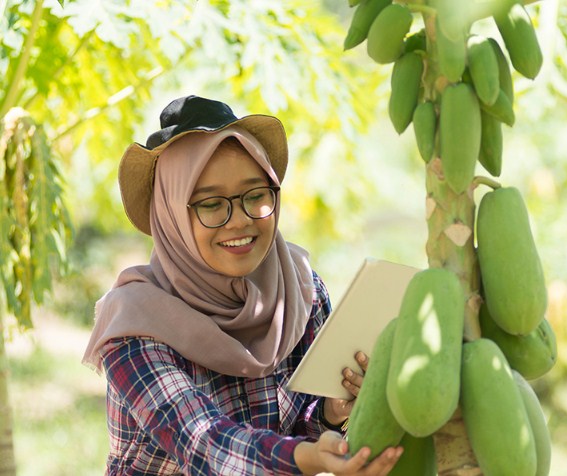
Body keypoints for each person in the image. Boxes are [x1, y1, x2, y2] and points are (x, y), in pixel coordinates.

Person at [82, 95, 403, 475]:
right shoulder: (134, 325)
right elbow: (202, 442)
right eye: (211, 204)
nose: (239, 221)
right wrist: (303, 458)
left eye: (255, 195)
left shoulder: (301, 292)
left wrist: (330, 414)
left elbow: (298, 425)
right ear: (171, 214)